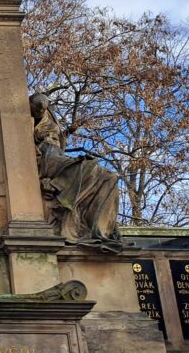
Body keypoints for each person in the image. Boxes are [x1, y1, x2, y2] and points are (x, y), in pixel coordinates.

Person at [29, 93, 122, 252]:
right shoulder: (37, 114)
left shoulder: (52, 119)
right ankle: (59, 188)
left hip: (57, 153)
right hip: (47, 156)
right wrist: (42, 103)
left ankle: (100, 232)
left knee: (110, 177)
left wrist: (64, 132)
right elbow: (37, 103)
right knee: (96, 171)